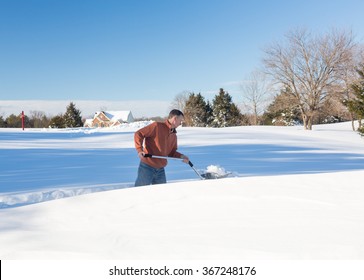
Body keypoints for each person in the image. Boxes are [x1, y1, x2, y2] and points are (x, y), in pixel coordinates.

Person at [134, 109, 189, 186]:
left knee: (161, 194)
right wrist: (139, 150)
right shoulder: (157, 126)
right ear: (175, 119)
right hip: (147, 166)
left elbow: (171, 153)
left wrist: (181, 156)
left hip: (160, 169)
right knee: (139, 191)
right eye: (180, 120)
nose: (181, 123)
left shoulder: (174, 136)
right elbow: (138, 134)